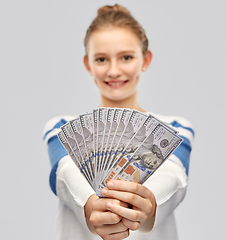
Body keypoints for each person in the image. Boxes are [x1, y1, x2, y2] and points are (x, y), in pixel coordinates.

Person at [43, 4, 194, 240]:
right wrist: (90, 206)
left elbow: (174, 176)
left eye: (126, 57)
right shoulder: (61, 127)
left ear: (146, 59)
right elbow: (64, 173)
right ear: (88, 65)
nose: (114, 71)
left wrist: (150, 202)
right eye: (102, 59)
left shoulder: (175, 128)